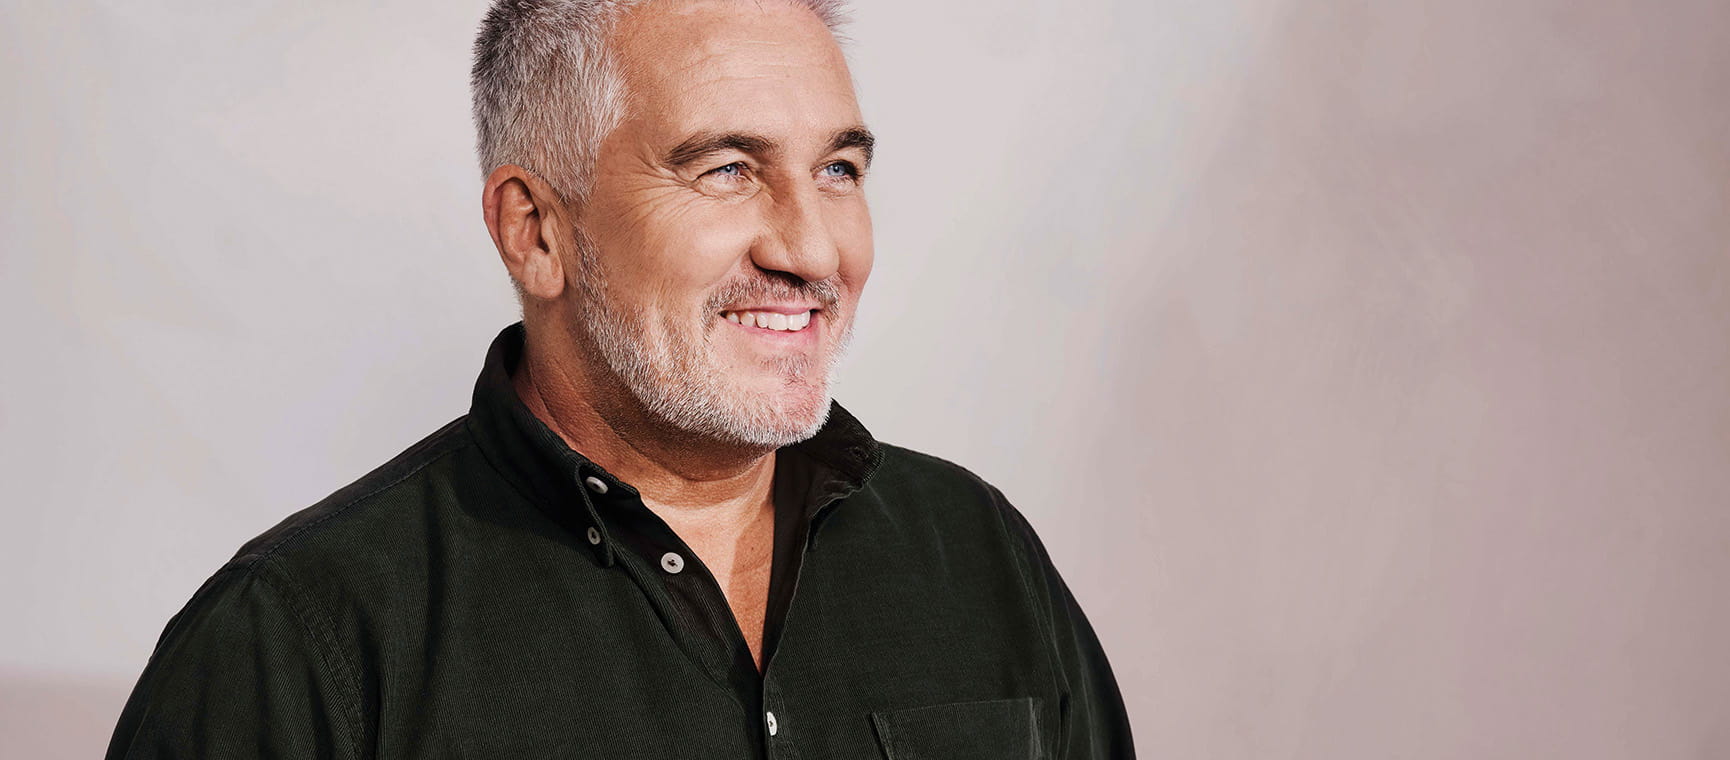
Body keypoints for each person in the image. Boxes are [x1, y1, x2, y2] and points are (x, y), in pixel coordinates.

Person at [105, 0, 1133, 757]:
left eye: (837, 170)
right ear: (535, 231)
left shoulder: (979, 557)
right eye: (726, 169)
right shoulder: (298, 647)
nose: (813, 250)